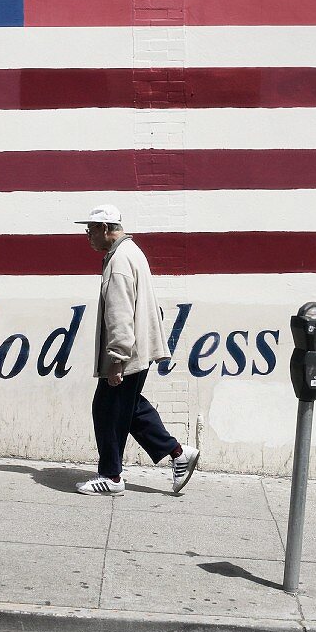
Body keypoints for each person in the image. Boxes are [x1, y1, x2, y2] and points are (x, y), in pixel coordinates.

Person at [74, 204, 200, 496]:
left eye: (90, 230)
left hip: (127, 352)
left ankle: (111, 477)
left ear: (105, 229)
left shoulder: (118, 262)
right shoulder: (132, 252)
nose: (88, 236)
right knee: (128, 408)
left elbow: (119, 314)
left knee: (107, 410)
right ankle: (178, 453)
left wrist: (117, 359)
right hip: (139, 349)